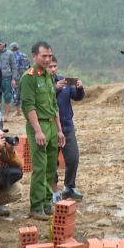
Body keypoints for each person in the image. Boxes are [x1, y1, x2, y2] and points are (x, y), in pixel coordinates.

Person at [20, 41, 66, 220]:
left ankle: (47, 202)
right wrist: (38, 131)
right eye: (43, 56)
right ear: (34, 56)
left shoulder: (48, 76)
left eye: (49, 56)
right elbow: (29, 106)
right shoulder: (29, 77)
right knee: (39, 167)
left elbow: (54, 105)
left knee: (50, 166)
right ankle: (36, 205)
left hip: (52, 126)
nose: (47, 60)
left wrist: (60, 130)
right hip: (38, 125)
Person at [50, 56, 84, 200]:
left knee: (73, 157)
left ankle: (69, 186)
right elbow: (46, 100)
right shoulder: (43, 84)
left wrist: (79, 89)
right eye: (49, 66)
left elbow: (76, 97)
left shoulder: (63, 80)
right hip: (50, 127)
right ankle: (54, 190)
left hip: (67, 125)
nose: (52, 69)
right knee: (52, 160)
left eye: (54, 66)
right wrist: (55, 89)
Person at [0, 37, 17, 121]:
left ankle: (6, 116)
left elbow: (14, 66)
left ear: (3, 43)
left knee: (7, 97)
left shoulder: (9, 53)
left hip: (7, 78)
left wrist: (14, 78)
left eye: (0, 44)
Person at [11, 42, 31, 118]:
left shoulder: (12, 57)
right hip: (25, 77)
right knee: (25, 94)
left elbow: (12, 68)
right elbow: (29, 67)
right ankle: (26, 110)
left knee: (16, 94)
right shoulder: (24, 56)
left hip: (16, 78)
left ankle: (18, 111)